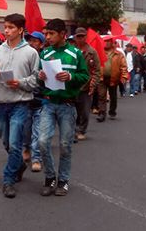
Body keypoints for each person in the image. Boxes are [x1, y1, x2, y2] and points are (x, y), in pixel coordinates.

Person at [0, 13, 39, 199]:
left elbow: (36, 79)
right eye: (5, 27)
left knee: (15, 143)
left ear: (20, 30)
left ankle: (8, 180)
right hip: (2, 102)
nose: (6, 31)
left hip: (21, 103)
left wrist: (21, 82)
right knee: (6, 142)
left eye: (10, 27)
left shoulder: (31, 53)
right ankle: (19, 164)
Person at [37, 19, 88, 197]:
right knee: (43, 141)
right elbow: (38, 76)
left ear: (62, 34)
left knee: (65, 145)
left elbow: (85, 76)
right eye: (46, 33)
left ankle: (63, 181)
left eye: (51, 34)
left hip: (67, 105)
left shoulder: (75, 54)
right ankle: (50, 177)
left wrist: (71, 76)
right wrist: (40, 76)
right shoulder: (45, 53)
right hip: (48, 103)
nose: (48, 37)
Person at [22, 31, 45, 171]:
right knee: (25, 130)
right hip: (25, 99)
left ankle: (36, 158)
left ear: (41, 44)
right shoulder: (24, 57)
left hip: (41, 100)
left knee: (37, 131)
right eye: (30, 40)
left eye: (35, 41)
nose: (31, 43)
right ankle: (26, 149)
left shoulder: (45, 58)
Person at [73, 28, 100, 142]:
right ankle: (73, 130)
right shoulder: (72, 51)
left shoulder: (92, 52)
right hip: (73, 85)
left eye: (83, 36)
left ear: (86, 37)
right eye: (78, 36)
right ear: (75, 37)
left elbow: (97, 70)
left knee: (84, 111)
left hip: (86, 86)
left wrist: (92, 85)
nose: (80, 39)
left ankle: (81, 130)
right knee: (73, 111)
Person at [97, 36, 128, 122]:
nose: (106, 43)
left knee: (113, 96)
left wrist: (124, 76)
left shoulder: (118, 54)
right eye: (105, 41)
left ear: (111, 42)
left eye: (108, 41)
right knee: (101, 96)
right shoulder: (99, 53)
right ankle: (102, 113)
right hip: (101, 78)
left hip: (114, 79)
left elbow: (123, 66)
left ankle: (112, 111)